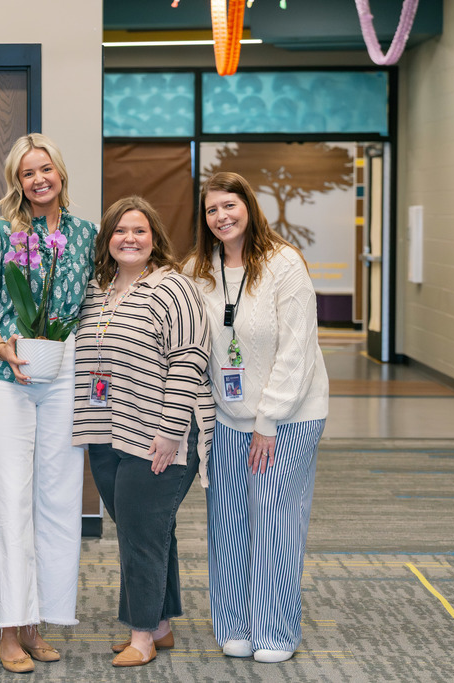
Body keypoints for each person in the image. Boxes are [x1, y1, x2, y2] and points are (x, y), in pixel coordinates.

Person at [0, 133, 98, 673]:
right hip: (6, 375)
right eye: (26, 173)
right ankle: (8, 628)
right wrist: (5, 350)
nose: (38, 179)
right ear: (15, 181)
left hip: (63, 377)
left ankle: (39, 620)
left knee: (59, 499)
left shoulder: (86, 235)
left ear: (60, 172)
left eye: (45, 169)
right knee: (8, 498)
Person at [186, 171, 329, 664]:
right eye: (212, 210)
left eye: (230, 205)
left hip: (287, 417)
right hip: (226, 416)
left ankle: (275, 629)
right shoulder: (200, 269)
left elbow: (297, 350)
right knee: (227, 523)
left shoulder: (283, 264)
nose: (222, 216)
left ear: (248, 206)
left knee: (275, 524)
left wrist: (268, 421)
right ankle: (234, 623)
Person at [73, 196, 215, 668]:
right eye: (119, 231)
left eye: (138, 231)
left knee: (140, 533)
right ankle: (160, 623)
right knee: (149, 529)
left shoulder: (175, 289)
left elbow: (190, 358)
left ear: (155, 238)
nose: (128, 239)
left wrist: (172, 430)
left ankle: (141, 635)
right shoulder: (98, 290)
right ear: (106, 239)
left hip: (159, 431)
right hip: (107, 430)